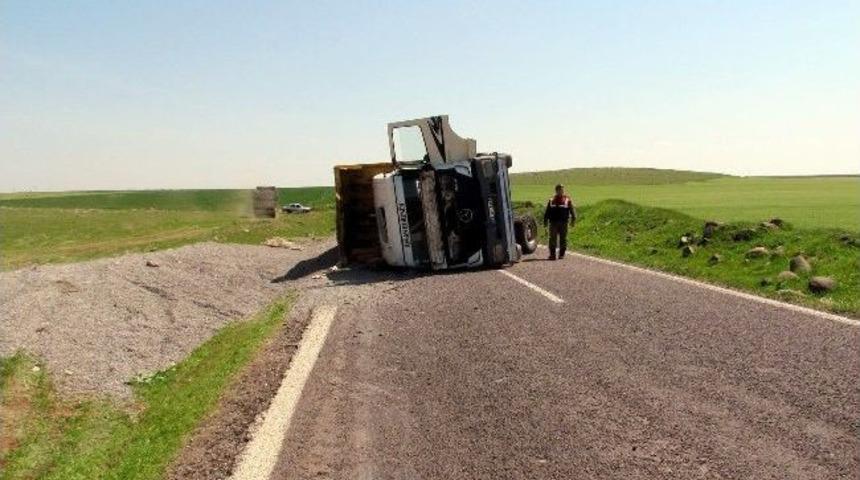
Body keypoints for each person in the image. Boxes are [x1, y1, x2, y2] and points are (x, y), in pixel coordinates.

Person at [543, 184, 576, 260]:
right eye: (559, 190)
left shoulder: (567, 200)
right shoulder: (551, 200)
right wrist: (545, 223)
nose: (561, 191)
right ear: (556, 191)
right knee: (552, 239)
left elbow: (572, 210)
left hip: (564, 223)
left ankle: (561, 254)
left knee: (563, 239)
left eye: (562, 190)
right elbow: (547, 212)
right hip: (553, 223)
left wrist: (573, 220)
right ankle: (552, 255)